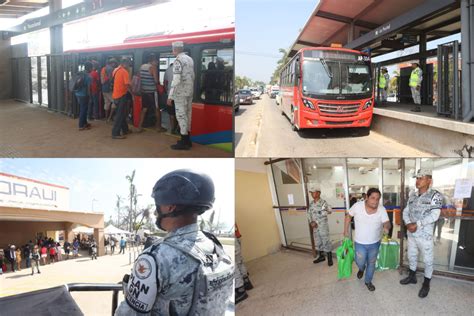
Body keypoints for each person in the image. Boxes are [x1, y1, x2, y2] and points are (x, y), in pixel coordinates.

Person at [115, 169, 233, 315]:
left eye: (158, 204)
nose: (155, 211)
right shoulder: (216, 246)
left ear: (170, 206)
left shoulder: (155, 258)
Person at [400, 169, 443, 298]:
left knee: (428, 260)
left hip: (425, 235)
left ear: (429, 180)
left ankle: (426, 283)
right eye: (417, 178)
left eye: (421, 178)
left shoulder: (436, 195)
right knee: (412, 255)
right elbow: (406, 211)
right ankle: (412, 276)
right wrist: (408, 223)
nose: (417, 181)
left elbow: (435, 215)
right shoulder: (412, 195)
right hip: (411, 233)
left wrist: (416, 224)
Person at [344, 188, 391, 292]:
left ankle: (368, 281)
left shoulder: (381, 209)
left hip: (375, 243)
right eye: (373, 198)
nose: (375, 201)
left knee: (371, 263)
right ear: (366, 197)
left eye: (377, 199)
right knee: (359, 261)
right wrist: (345, 231)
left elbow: (387, 222)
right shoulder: (357, 206)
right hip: (360, 243)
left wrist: (386, 227)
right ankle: (361, 269)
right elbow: (348, 216)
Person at [167, 41, 195, 150]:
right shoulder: (190, 59)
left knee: (181, 116)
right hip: (189, 91)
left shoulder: (178, 60)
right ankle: (188, 140)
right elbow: (193, 75)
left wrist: (170, 96)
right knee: (188, 115)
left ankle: (184, 142)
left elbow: (176, 79)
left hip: (180, 93)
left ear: (175, 50)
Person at [137, 54, 166, 133]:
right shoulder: (153, 68)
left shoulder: (142, 67)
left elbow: (139, 77)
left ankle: (139, 127)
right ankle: (158, 127)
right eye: (156, 61)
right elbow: (156, 81)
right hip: (152, 92)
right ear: (152, 61)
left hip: (144, 92)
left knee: (144, 109)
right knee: (157, 109)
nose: (157, 63)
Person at [306, 184, 333, 266]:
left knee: (326, 241)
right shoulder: (311, 203)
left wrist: (316, 222)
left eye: (313, 192)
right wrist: (311, 222)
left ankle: (329, 258)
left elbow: (327, 212)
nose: (311, 194)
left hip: (322, 226)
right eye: (311, 193)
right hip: (315, 227)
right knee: (318, 242)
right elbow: (308, 213)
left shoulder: (323, 203)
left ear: (318, 193)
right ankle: (321, 256)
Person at [112, 58, 132, 139]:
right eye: (129, 65)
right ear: (125, 64)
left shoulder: (116, 70)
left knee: (122, 113)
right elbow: (127, 84)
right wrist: (133, 93)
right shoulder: (124, 72)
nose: (129, 66)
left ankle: (125, 129)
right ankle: (115, 133)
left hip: (115, 95)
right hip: (121, 95)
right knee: (120, 115)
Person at [235, 224, 253, 304]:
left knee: (234, 266)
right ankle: (246, 282)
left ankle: (240, 290)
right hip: (236, 236)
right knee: (239, 262)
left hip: (232, 237)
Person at [74, 61, 93, 131]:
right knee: (83, 110)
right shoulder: (88, 76)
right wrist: (90, 96)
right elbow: (89, 88)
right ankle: (81, 125)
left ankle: (85, 123)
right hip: (84, 95)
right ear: (90, 68)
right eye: (92, 67)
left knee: (83, 109)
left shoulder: (80, 73)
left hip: (77, 93)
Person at [101, 58, 118, 122]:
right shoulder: (111, 69)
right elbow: (112, 79)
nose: (115, 65)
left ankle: (106, 117)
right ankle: (110, 118)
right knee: (115, 102)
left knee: (107, 103)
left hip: (104, 89)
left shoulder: (103, 68)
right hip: (109, 89)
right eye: (115, 63)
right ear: (112, 63)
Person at [164, 62, 178, 134]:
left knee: (171, 113)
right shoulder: (180, 69)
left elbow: (165, 83)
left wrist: (167, 90)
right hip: (179, 95)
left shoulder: (168, 70)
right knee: (179, 113)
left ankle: (172, 128)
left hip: (170, 95)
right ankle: (178, 128)